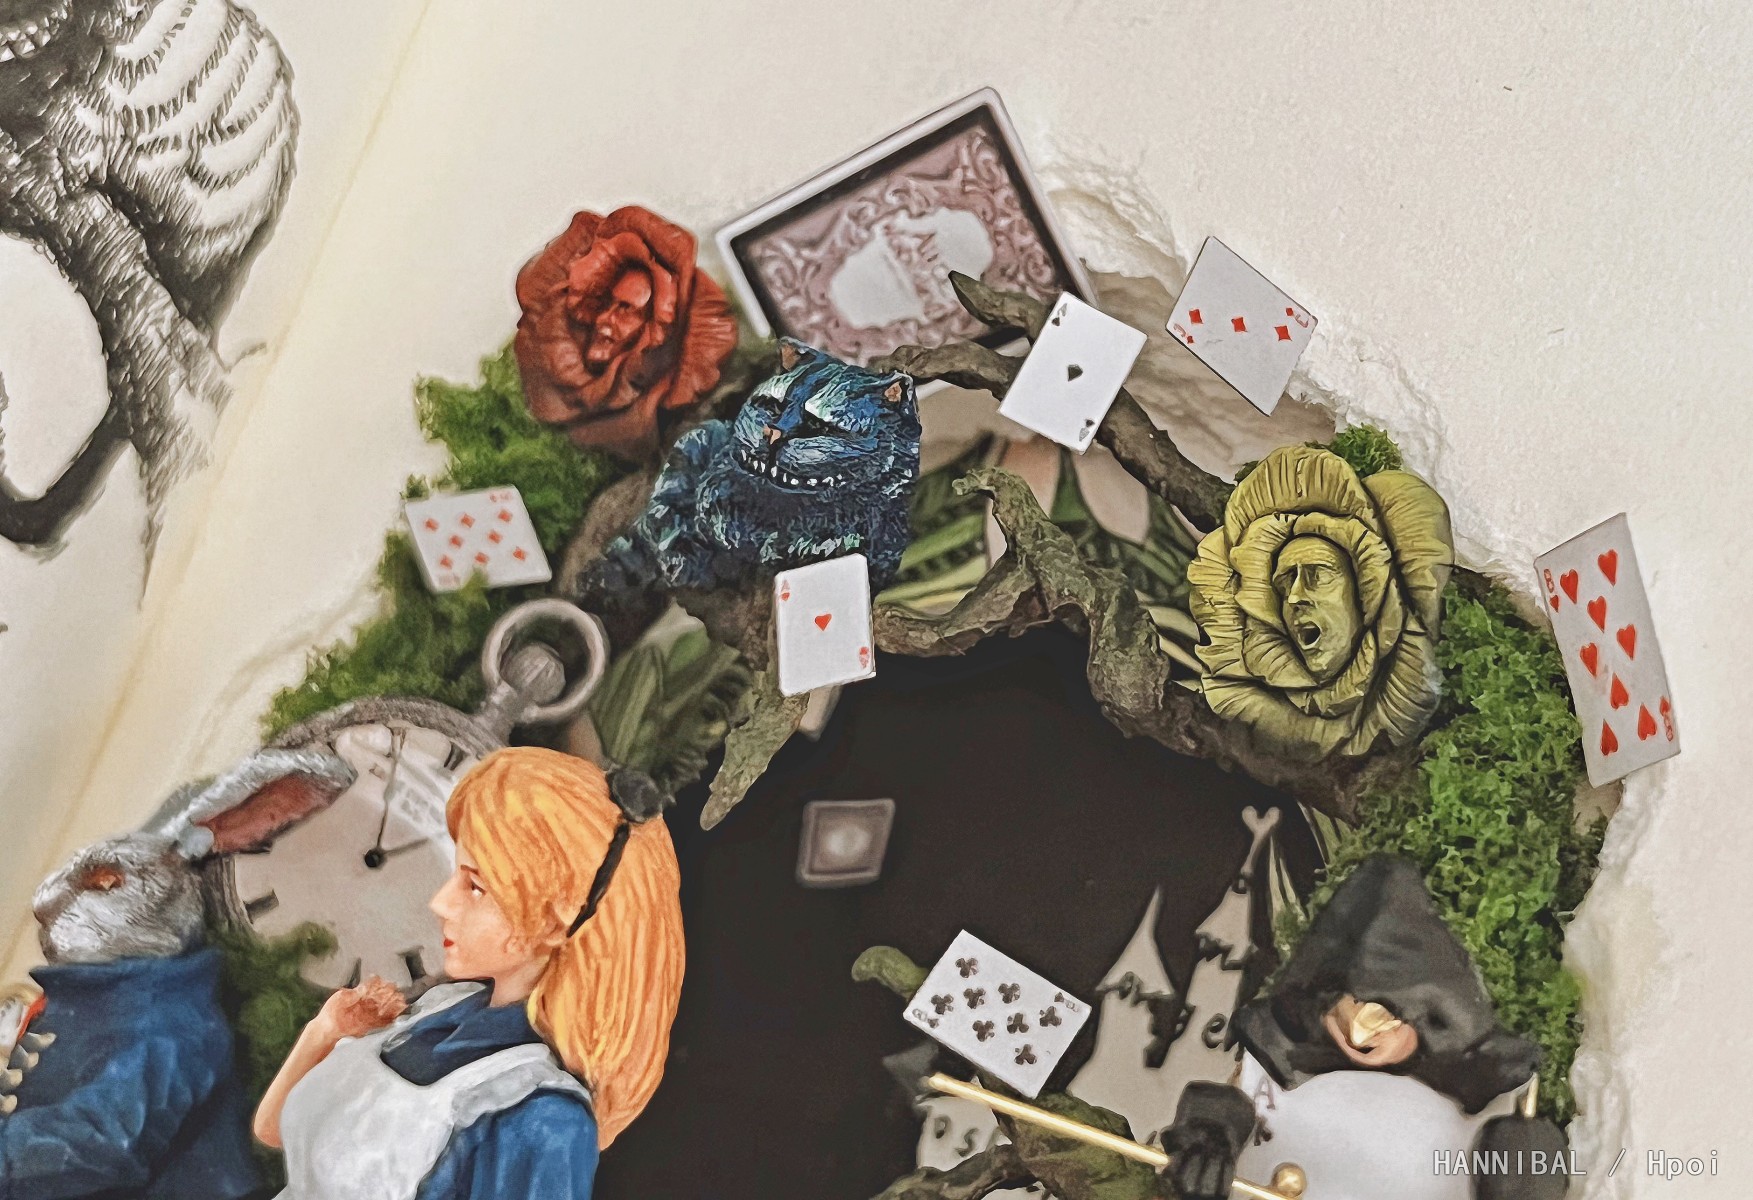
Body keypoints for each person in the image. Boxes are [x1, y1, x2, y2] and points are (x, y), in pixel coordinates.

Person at [253, 748, 685, 1200]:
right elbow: (275, 1130)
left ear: (555, 922)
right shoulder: (438, 1009)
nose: (440, 903)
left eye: (475, 887)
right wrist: (325, 1031)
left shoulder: (543, 1122)